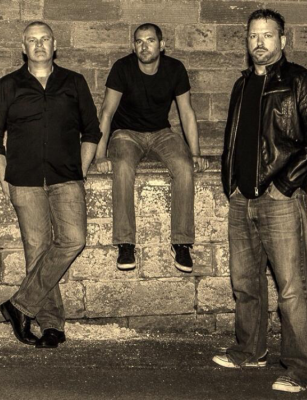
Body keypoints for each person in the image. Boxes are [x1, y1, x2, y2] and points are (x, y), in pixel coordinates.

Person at [213, 9, 307, 394]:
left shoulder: (298, 80)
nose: (259, 42)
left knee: (291, 288)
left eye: (267, 35)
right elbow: (234, 139)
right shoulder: (242, 84)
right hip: (242, 198)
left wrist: (285, 184)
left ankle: (300, 367)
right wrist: (232, 185)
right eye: (253, 35)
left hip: (280, 198)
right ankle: (250, 350)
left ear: (282, 40)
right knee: (245, 282)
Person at [0, 21, 101, 349]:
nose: (38, 45)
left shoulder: (74, 82)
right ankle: (52, 325)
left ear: (55, 45)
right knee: (37, 252)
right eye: (32, 40)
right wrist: (4, 178)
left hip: (66, 177)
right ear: (23, 47)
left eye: (44, 39)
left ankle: (19, 305)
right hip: (23, 181)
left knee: (74, 239)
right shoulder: (7, 85)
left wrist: (80, 171)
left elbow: (91, 131)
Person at [95, 23, 208, 273]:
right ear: (133, 46)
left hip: (161, 133)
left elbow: (187, 112)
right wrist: (100, 155)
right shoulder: (122, 68)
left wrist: (195, 153)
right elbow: (106, 112)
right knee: (123, 167)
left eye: (150, 40)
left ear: (162, 44)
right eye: (139, 41)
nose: (144, 46)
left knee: (184, 167)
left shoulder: (175, 69)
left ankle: (181, 243)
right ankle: (125, 243)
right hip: (126, 133)